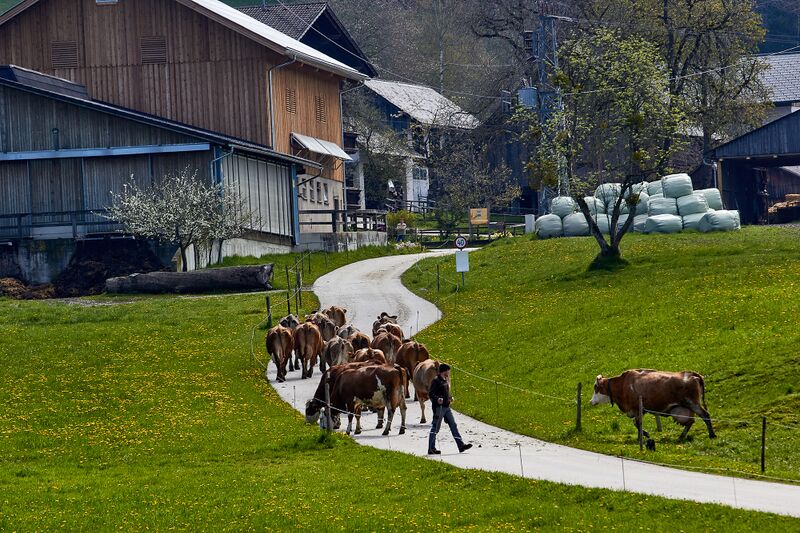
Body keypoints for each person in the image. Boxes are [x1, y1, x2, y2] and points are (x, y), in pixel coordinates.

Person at [428, 363, 472, 454]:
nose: (449, 372)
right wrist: (437, 399)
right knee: (435, 427)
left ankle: (461, 446)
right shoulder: (436, 381)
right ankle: (431, 448)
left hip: (446, 407)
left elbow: (445, 392)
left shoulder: (445, 380)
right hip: (439, 408)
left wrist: (449, 398)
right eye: (448, 371)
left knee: (453, 424)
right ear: (444, 371)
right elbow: (431, 394)